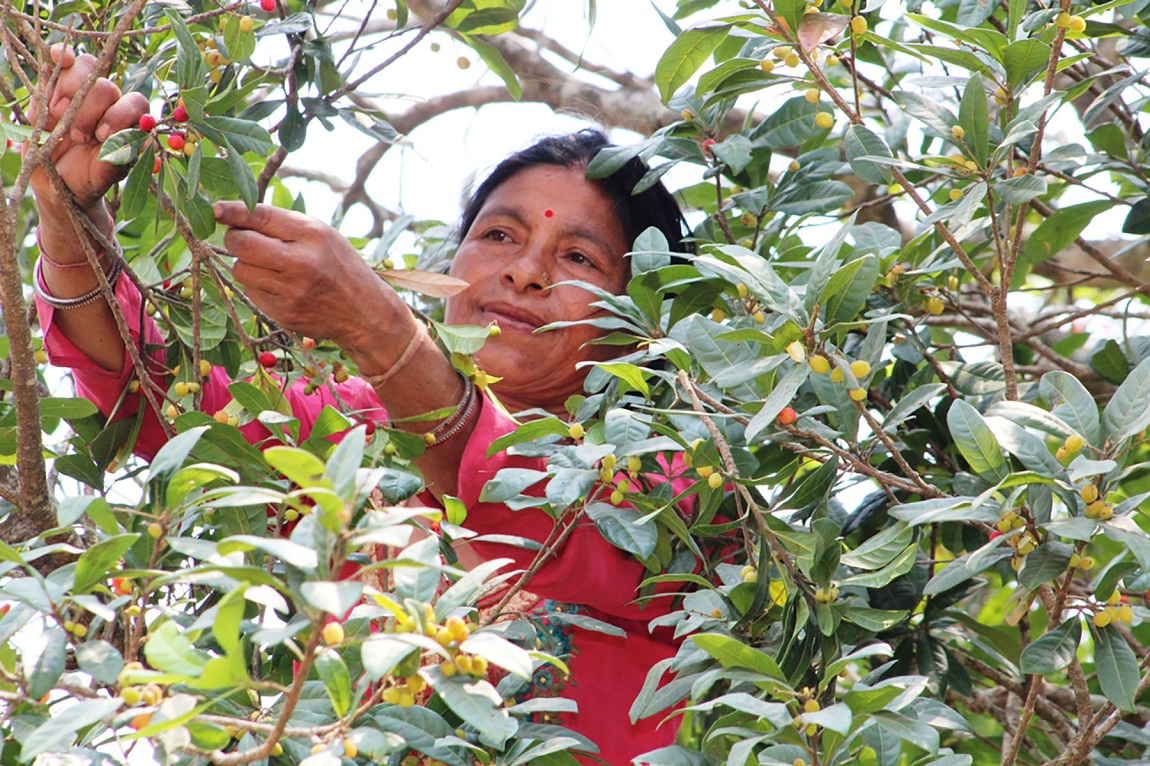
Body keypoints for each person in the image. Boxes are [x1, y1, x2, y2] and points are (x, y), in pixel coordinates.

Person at [31, 46, 694, 765]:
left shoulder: (678, 480)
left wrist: (380, 329)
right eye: (499, 235)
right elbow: (154, 395)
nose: (525, 272)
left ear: (642, 322)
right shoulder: (346, 430)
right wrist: (68, 217)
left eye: (579, 258)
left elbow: (544, 506)